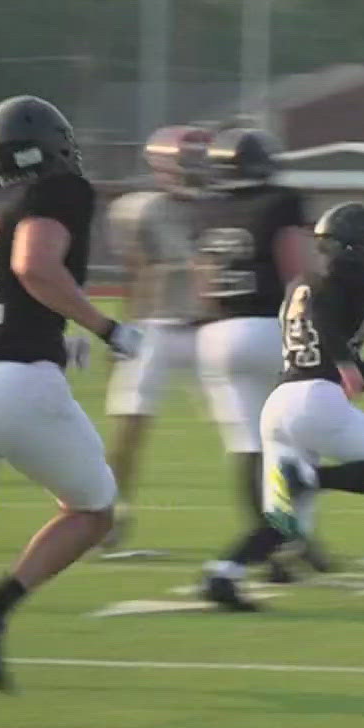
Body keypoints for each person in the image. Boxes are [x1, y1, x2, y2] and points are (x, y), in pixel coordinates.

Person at [0, 95, 141, 691]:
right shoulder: (60, 192)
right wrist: (107, 329)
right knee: (93, 510)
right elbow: (33, 266)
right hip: (15, 382)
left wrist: (50, 334)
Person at [200, 202, 364, 610]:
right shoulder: (342, 278)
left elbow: (357, 377)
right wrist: (345, 361)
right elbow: (327, 316)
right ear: (354, 246)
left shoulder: (302, 284)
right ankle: (310, 477)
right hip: (316, 401)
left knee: (283, 519)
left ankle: (223, 574)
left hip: (280, 407)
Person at [188, 128, 331, 596]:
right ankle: (294, 541)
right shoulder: (280, 202)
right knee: (300, 441)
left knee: (250, 448)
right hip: (267, 328)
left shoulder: (205, 207)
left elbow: (203, 282)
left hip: (215, 332)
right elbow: (295, 267)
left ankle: (271, 545)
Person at [99, 125, 210, 556]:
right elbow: (136, 274)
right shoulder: (143, 210)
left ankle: (280, 521)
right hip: (157, 325)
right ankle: (108, 513)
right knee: (130, 424)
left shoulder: (226, 203)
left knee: (260, 428)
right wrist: (125, 332)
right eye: (192, 160)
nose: (200, 170)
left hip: (211, 328)